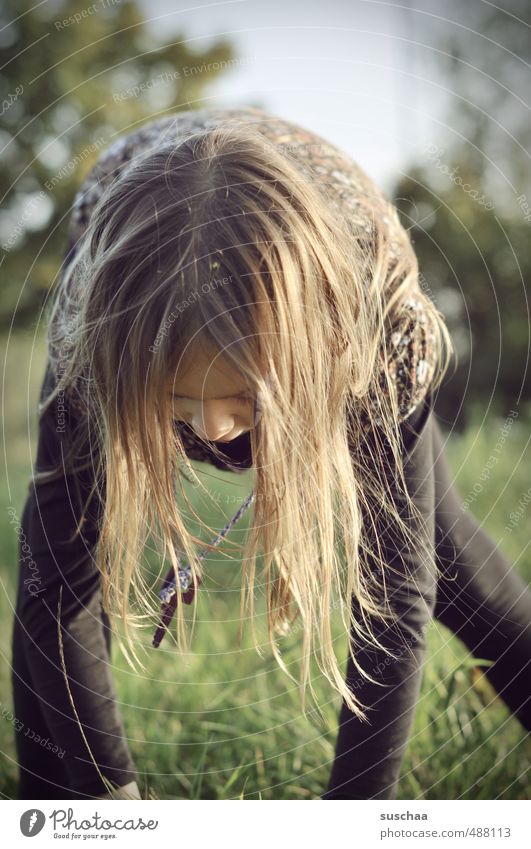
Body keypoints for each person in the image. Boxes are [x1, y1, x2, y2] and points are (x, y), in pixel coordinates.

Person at [11, 107, 531, 801]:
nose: (216, 433)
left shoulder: (377, 337)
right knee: (58, 562)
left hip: (335, 282)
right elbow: (56, 592)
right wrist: (112, 798)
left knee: (441, 556)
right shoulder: (98, 334)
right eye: (179, 405)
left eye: (242, 401)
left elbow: (393, 605)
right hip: (130, 278)